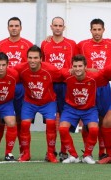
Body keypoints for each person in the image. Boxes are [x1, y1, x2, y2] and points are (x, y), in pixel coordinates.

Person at [0, 17, 33, 160]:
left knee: (20, 121)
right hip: (2, 87)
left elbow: (36, 63)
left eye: (17, 26)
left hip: (21, 87)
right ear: (8, 28)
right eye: (11, 26)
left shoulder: (28, 44)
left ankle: (23, 152)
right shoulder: (1, 44)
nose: (14, 28)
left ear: (21, 28)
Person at [77, 18, 111, 160]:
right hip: (87, 88)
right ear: (90, 31)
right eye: (94, 29)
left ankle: (103, 151)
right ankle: (87, 151)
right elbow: (73, 61)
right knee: (87, 120)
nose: (97, 32)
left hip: (104, 87)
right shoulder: (82, 45)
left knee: (104, 120)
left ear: (103, 30)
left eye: (99, 29)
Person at [13, 45, 62, 163]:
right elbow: (7, 73)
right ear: (27, 58)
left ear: (41, 59)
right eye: (30, 58)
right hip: (29, 102)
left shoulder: (51, 69)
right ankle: (26, 154)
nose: (32, 60)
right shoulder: (20, 69)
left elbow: (65, 75)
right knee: (24, 125)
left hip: (48, 102)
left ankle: (50, 153)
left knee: (51, 124)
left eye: (35, 58)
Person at [59, 55, 108, 164]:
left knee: (94, 129)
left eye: (80, 66)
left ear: (86, 67)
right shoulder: (67, 75)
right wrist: (68, 70)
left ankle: (87, 155)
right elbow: (57, 70)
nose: (77, 69)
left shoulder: (94, 77)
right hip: (71, 108)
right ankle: (73, 155)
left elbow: (106, 73)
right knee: (62, 129)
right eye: (75, 66)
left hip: (89, 109)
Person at [41, 16, 78, 161]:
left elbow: (78, 62)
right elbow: (40, 62)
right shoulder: (45, 43)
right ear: (51, 27)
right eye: (55, 25)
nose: (57, 28)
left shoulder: (71, 44)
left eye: (60, 25)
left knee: (65, 118)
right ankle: (50, 150)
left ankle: (63, 151)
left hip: (66, 85)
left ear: (64, 27)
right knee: (50, 119)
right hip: (49, 85)